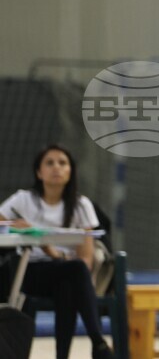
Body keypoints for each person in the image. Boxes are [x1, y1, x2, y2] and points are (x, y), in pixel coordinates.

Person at [0, 145, 114, 359]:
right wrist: (15, 225)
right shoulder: (23, 199)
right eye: (49, 163)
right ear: (39, 172)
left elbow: (86, 259)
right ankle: (98, 343)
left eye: (62, 163)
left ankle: (69, 354)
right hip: (28, 271)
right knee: (73, 273)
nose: (56, 168)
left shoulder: (81, 205)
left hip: (65, 271)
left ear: (70, 171)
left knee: (69, 284)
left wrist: (54, 253)